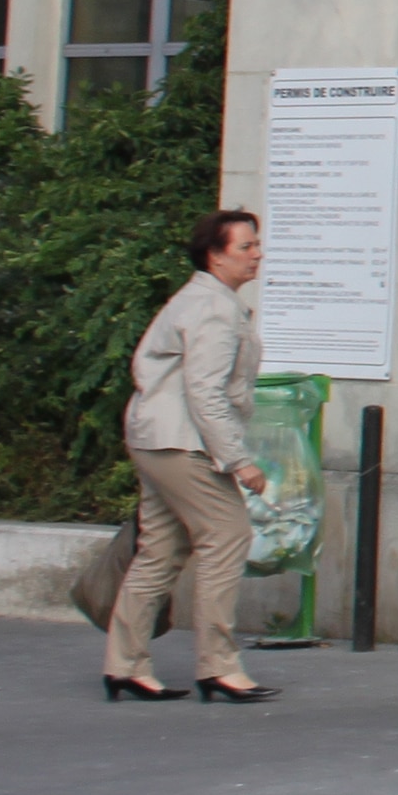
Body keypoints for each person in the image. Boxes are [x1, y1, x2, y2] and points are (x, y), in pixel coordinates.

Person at [105, 207, 281, 707]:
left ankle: (125, 666)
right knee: (227, 534)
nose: (257, 254)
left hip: (155, 438)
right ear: (215, 255)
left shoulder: (200, 300)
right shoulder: (213, 308)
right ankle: (219, 667)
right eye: (245, 247)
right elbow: (205, 392)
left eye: (256, 244)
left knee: (160, 550)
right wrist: (239, 461)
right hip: (184, 442)